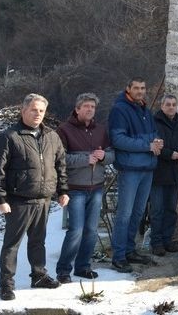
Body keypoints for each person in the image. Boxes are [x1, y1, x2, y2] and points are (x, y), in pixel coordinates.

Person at [0, 93, 69, 301]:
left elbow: (60, 165)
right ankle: (6, 285)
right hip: (18, 200)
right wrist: (0, 199)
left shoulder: (51, 136)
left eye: (41, 111)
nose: (38, 114)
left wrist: (63, 190)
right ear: (23, 111)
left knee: (38, 241)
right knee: (11, 244)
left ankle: (39, 276)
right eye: (33, 110)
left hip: (43, 199)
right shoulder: (9, 136)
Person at [55, 93, 114, 284]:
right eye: (86, 106)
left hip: (96, 187)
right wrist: (84, 159)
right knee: (76, 230)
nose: (90, 109)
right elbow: (59, 158)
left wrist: (104, 156)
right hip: (75, 188)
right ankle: (64, 270)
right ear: (77, 109)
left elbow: (113, 154)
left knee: (90, 230)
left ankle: (83, 267)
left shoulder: (101, 130)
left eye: (93, 107)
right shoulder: (64, 130)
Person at [108, 78, 162, 272]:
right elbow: (119, 139)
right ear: (128, 89)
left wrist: (155, 142)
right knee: (124, 214)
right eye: (136, 88)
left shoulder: (145, 111)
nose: (140, 91)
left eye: (143, 87)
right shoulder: (120, 110)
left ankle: (130, 250)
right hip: (130, 169)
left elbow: (154, 133)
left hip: (147, 168)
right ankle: (119, 256)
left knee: (138, 213)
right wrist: (148, 145)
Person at [151, 95, 178, 256]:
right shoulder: (154, 123)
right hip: (158, 172)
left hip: (176, 173)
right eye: (168, 104)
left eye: (174, 104)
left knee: (171, 209)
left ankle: (168, 240)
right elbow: (154, 145)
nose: (171, 107)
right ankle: (156, 242)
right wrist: (171, 154)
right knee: (157, 210)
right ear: (162, 106)